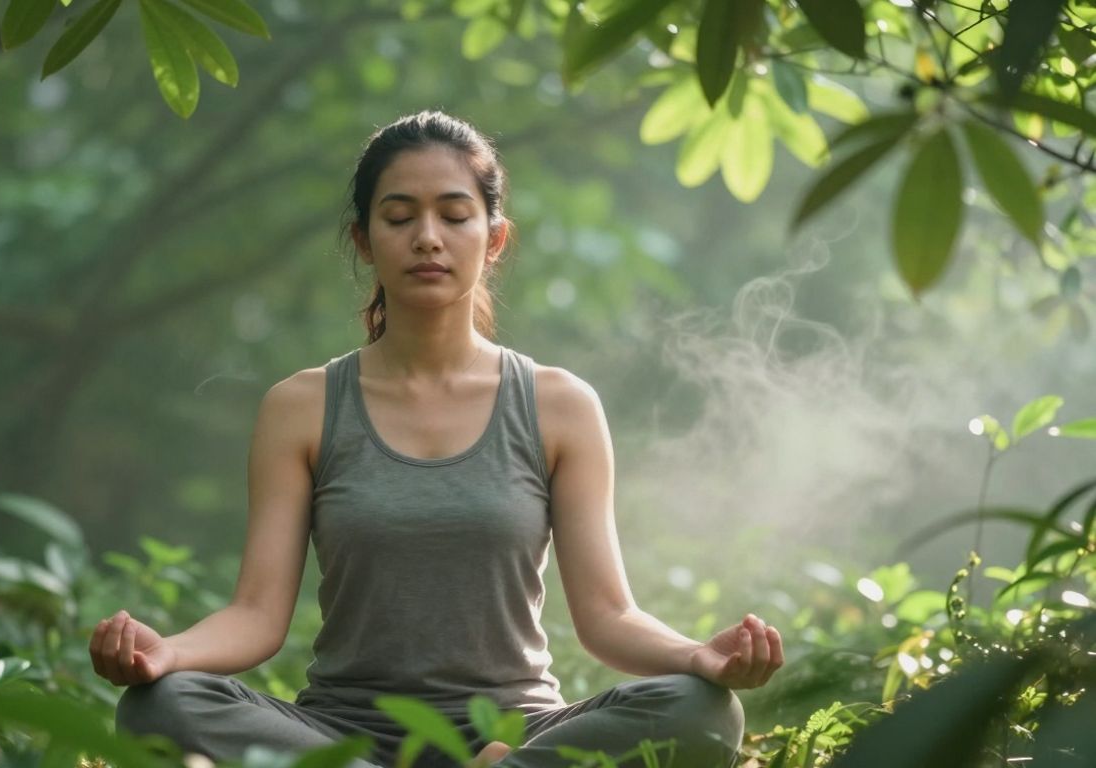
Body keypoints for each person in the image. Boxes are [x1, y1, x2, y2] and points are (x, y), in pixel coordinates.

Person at [92, 111, 783, 768]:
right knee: (160, 706)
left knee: (702, 709)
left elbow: (608, 615)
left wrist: (698, 657)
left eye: (454, 215)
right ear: (364, 240)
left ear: (494, 238)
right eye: (399, 217)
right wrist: (168, 655)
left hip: (514, 734)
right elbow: (256, 615)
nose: (428, 237)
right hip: (343, 739)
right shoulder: (300, 407)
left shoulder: (560, 406)